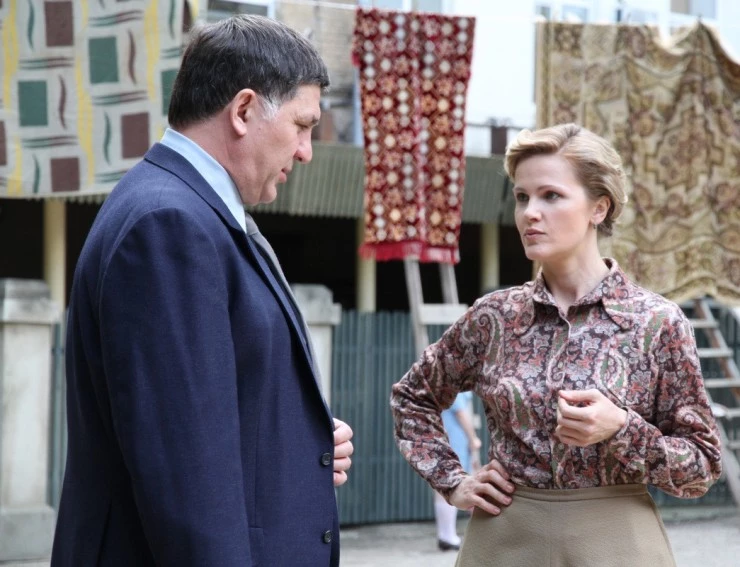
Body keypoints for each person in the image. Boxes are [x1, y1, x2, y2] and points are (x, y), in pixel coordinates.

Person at [51, 15, 353, 567]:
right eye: (301, 125)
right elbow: (188, 483)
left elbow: (201, 417)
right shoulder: (169, 225)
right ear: (243, 111)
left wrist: (294, 442)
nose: (307, 150)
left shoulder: (188, 212)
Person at [390, 123, 722, 566]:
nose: (530, 213)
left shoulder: (657, 323)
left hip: (617, 545)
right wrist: (453, 481)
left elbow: (701, 468)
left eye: (551, 196)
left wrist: (622, 428)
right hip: (505, 542)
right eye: (522, 197)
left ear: (599, 208)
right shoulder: (493, 318)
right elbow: (411, 398)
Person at [435, 392, 481, 552]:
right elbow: (461, 413)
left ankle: (446, 534)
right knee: (450, 485)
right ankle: (448, 536)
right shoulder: (457, 387)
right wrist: (472, 437)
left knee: (445, 486)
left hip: (452, 439)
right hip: (455, 440)